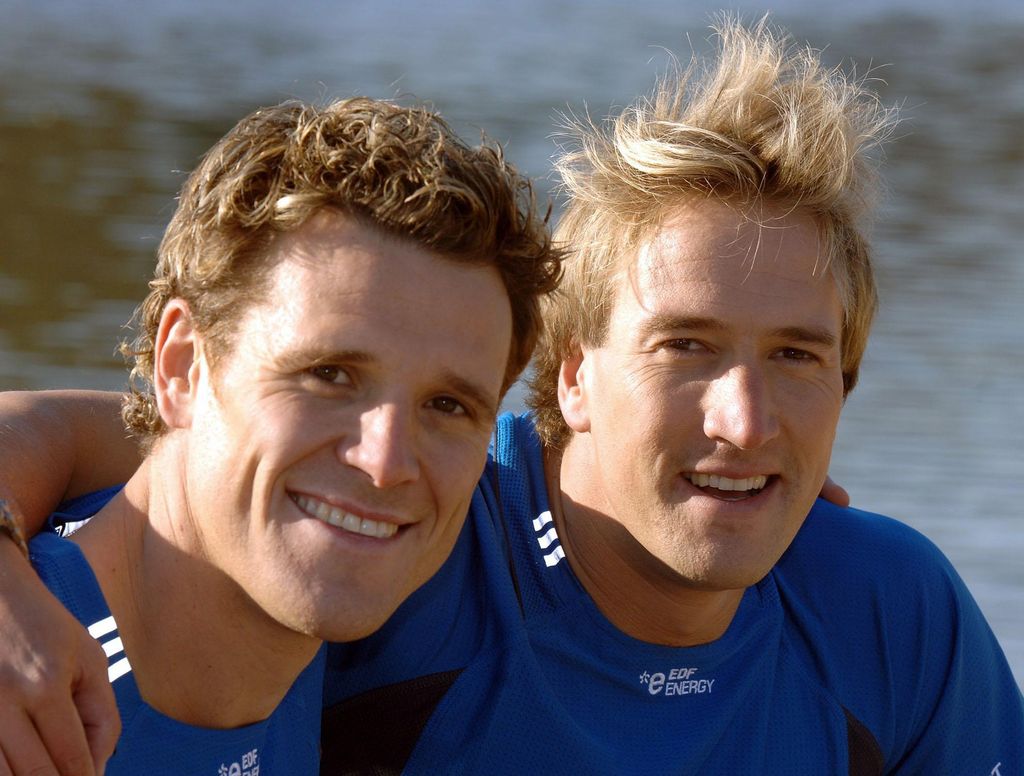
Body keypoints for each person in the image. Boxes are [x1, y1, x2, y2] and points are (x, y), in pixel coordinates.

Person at [2, 18, 1022, 775]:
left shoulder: (882, 604)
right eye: (684, 346)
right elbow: (172, 443)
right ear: (572, 376)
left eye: (796, 357)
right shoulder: (434, 537)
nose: (744, 419)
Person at [0, 96, 559, 775]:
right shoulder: (26, 703)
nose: (385, 463)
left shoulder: (337, 617)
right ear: (181, 367)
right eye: (329, 374)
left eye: (447, 404)